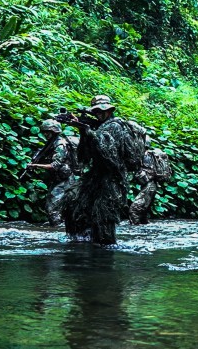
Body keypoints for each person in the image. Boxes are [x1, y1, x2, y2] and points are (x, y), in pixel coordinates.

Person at [62, 95, 145, 245]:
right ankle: (81, 239)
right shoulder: (98, 127)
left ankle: (105, 248)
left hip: (112, 177)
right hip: (96, 175)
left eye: (103, 111)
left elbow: (108, 154)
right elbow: (84, 156)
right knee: (72, 201)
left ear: (110, 110)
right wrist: (83, 131)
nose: (100, 114)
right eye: (97, 112)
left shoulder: (116, 126)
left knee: (103, 215)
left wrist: (87, 131)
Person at [28, 118, 75, 230]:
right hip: (59, 179)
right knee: (59, 207)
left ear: (54, 132)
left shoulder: (60, 144)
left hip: (66, 180)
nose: (45, 134)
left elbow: (55, 165)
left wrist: (36, 166)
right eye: (44, 132)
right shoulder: (51, 144)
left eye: (47, 132)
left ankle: (57, 229)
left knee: (52, 208)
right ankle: (62, 228)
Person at [129, 137, 170, 226]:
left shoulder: (146, 156)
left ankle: (135, 227)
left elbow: (148, 172)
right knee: (144, 210)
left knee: (135, 209)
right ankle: (142, 225)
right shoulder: (149, 155)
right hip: (151, 185)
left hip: (149, 185)